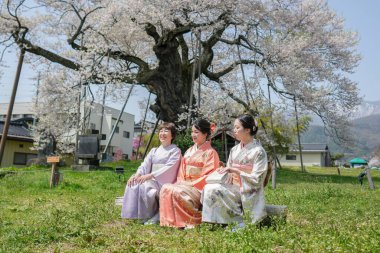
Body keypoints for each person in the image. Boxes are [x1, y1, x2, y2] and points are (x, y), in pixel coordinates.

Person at [201, 114, 268, 226]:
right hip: (233, 184)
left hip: (247, 189)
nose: (234, 130)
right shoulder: (234, 149)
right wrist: (225, 171)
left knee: (216, 190)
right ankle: (212, 221)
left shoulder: (259, 151)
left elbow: (258, 179)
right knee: (209, 187)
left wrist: (236, 171)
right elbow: (229, 170)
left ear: (247, 130)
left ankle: (233, 220)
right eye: (234, 127)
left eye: (237, 127)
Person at [159, 119, 220, 228]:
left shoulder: (211, 153)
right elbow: (181, 171)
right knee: (165, 188)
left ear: (205, 134)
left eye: (196, 132)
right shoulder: (188, 151)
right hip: (185, 185)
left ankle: (192, 220)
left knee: (177, 191)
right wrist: (182, 182)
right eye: (192, 132)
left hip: (197, 188)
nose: (193, 134)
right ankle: (169, 221)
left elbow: (209, 175)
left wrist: (191, 184)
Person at [121, 122, 181, 224]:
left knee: (146, 186)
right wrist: (137, 175)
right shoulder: (154, 151)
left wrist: (150, 175)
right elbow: (145, 164)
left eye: (166, 131)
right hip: (152, 178)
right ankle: (137, 215)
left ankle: (152, 214)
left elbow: (169, 167)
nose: (162, 133)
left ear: (172, 135)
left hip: (164, 181)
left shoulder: (175, 150)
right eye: (161, 131)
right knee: (135, 182)